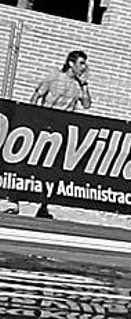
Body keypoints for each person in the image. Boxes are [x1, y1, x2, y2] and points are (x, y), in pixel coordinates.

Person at [29, 50, 92, 219]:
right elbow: (36, 97)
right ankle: (16, 199)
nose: (84, 67)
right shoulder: (54, 76)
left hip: (63, 130)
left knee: (56, 169)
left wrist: (85, 85)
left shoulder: (79, 85)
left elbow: (86, 105)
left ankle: (45, 204)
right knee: (34, 164)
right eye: (81, 63)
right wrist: (33, 118)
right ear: (71, 63)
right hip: (44, 126)